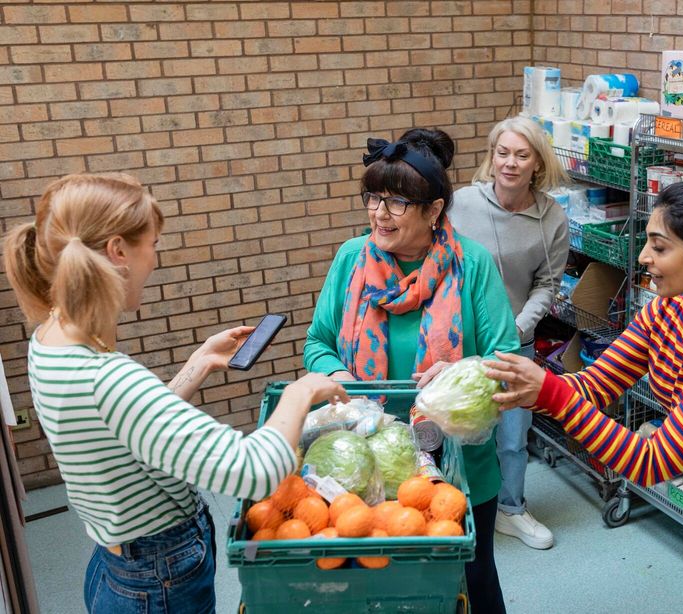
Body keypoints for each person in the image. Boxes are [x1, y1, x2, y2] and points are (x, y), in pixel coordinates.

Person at [3, 173, 346, 614]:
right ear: (118, 251)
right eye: (154, 244)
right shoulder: (108, 376)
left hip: (119, 565)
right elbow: (253, 470)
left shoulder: (51, 339)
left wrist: (199, 362)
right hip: (157, 580)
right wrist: (300, 392)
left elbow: (134, 425)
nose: (156, 259)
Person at [486, 180, 683, 614]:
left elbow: (652, 461)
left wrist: (550, 395)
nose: (643, 258)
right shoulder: (667, 311)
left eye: (659, 247)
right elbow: (596, 384)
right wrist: (516, 385)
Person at [303, 129, 519, 613]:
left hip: (453, 462)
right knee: (381, 587)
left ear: (434, 210)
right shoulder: (350, 260)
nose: (380, 213)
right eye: (374, 198)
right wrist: (346, 383)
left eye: (397, 203)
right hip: (366, 456)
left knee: (471, 577)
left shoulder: (472, 266)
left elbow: (506, 362)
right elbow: (317, 343)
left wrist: (460, 371)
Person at [447, 117, 570, 550]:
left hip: (516, 341)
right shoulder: (460, 204)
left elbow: (547, 284)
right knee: (452, 427)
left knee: (513, 437)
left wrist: (516, 327)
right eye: (503, 153)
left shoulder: (552, 217)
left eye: (522, 154)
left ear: (537, 162)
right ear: (491, 155)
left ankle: (511, 510)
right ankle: (449, 510)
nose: (510, 163)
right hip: (458, 341)